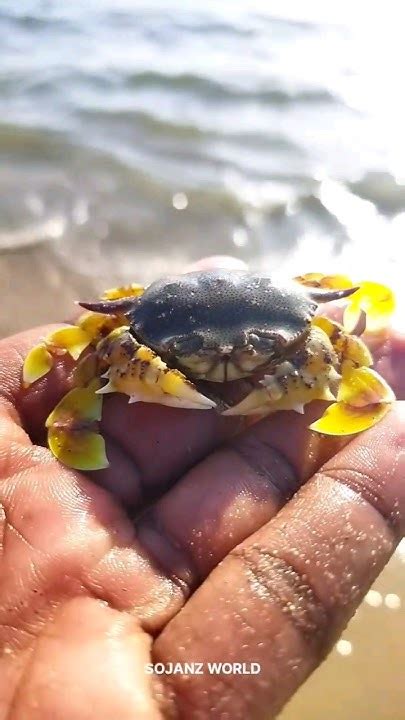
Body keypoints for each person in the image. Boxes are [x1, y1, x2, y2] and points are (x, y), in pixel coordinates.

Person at [0, 256, 404, 720]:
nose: (228, 359)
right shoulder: (127, 335)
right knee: (94, 358)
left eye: (261, 344)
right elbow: (75, 354)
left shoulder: (315, 334)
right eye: (188, 347)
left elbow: (360, 377)